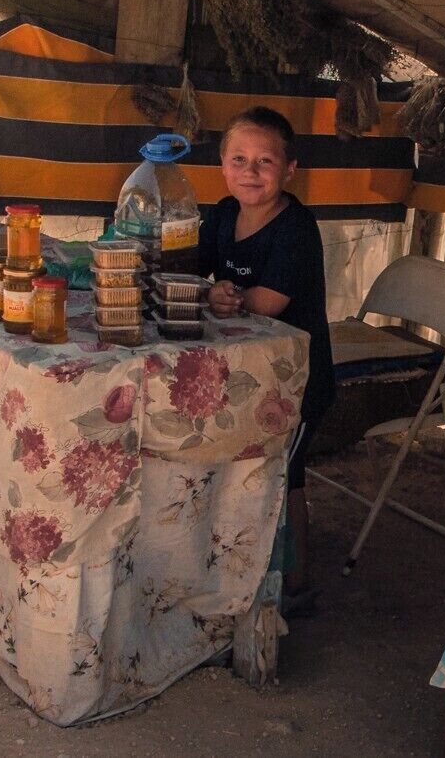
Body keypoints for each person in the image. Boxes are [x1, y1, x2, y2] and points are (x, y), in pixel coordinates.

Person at [198, 106, 334, 609]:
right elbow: (193, 273)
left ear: (289, 169)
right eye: (239, 159)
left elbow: (268, 302)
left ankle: (295, 584)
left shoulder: (296, 227)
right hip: (247, 372)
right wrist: (207, 291)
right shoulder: (221, 214)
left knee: (286, 475)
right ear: (222, 165)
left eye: (265, 161)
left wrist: (221, 295)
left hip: (297, 380)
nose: (250, 172)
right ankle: (240, 563)